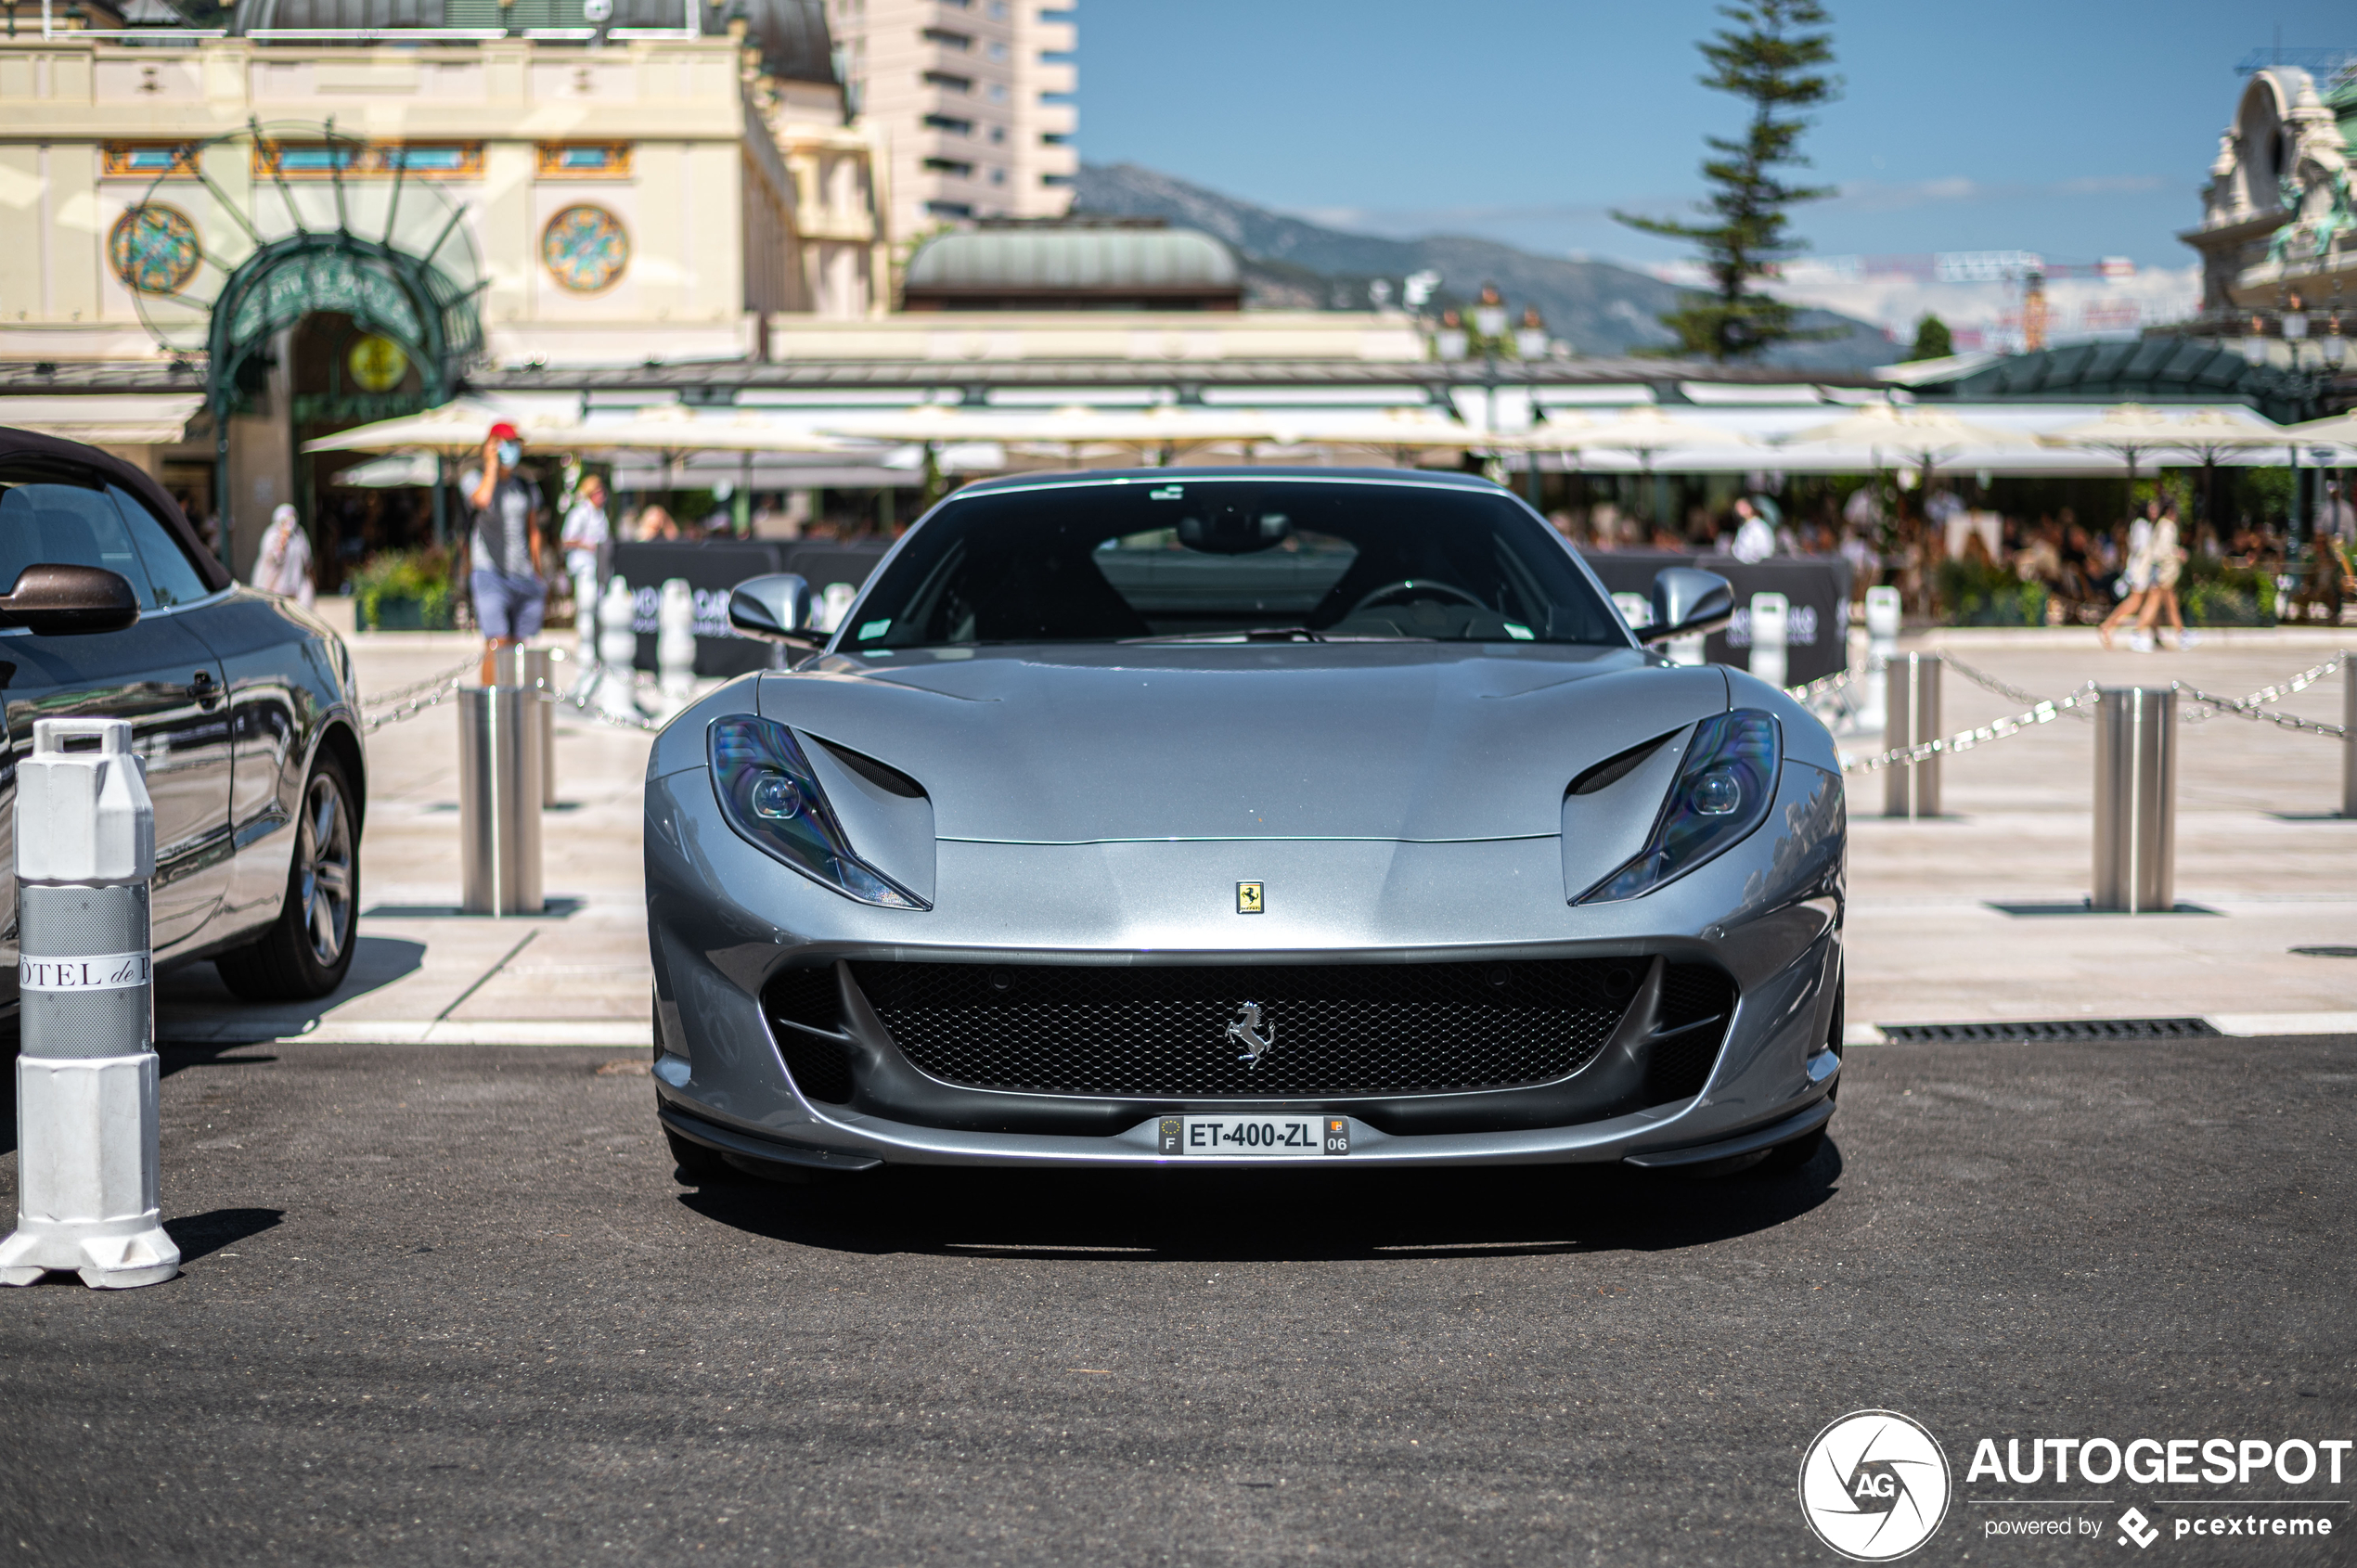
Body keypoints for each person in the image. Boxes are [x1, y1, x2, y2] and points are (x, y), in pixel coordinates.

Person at [460, 421, 546, 687]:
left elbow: (533, 530)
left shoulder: (525, 485)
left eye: (514, 444)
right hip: (489, 573)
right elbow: (483, 500)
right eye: (504, 443)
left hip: (522, 573)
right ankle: (492, 705)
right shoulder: (473, 478)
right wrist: (491, 465)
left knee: (520, 646)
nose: (512, 449)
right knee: (496, 642)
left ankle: (516, 705)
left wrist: (539, 572)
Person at [2098, 500, 2157, 651]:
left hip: (2140, 570)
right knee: (2134, 603)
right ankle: (2109, 626)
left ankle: (2112, 626)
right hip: (2140, 571)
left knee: (2139, 602)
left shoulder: (2141, 525)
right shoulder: (2142, 526)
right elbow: (2141, 549)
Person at [2135, 499, 2189, 650]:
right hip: (2163, 574)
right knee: (2153, 603)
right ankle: (2138, 633)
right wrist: (2178, 553)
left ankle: (2182, 635)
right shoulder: (2167, 526)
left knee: (2170, 604)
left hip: (2161, 574)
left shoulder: (2160, 525)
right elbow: (2162, 552)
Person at [251, 503, 315, 610]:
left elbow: (306, 558)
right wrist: (283, 539)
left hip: (295, 585)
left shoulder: (299, 534)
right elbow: (271, 557)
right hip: (274, 587)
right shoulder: (271, 534)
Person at [560, 472, 609, 585]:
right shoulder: (579, 512)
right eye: (598, 492)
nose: (602, 496)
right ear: (590, 494)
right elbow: (566, 540)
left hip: (600, 567)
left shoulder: (601, 514)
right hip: (583, 566)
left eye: (603, 492)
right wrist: (586, 545)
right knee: (587, 600)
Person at [1729, 496, 1776, 563]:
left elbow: (1765, 550)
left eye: (1743, 506)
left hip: (1756, 567)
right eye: (1738, 507)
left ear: (1750, 507)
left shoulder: (1759, 526)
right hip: (1742, 566)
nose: (1741, 509)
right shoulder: (1743, 527)